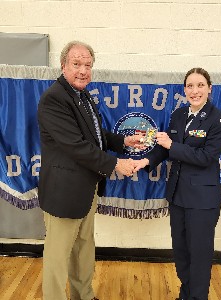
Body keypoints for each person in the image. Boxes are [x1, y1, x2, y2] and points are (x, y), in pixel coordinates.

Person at [37, 40, 143, 300]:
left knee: (84, 248)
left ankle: (82, 295)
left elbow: (94, 135)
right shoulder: (54, 99)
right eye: (77, 64)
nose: (83, 70)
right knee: (57, 256)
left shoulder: (82, 95)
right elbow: (76, 145)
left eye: (87, 65)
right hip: (64, 192)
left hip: (86, 189)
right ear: (63, 66)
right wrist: (116, 163)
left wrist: (122, 141)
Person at [134, 67, 221, 300]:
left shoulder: (219, 119)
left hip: (202, 201)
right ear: (184, 89)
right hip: (177, 196)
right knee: (181, 253)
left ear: (209, 88)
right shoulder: (178, 115)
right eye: (190, 86)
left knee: (199, 255)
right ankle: (186, 295)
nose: (194, 91)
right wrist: (146, 160)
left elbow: (206, 157)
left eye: (200, 85)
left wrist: (171, 146)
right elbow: (165, 148)